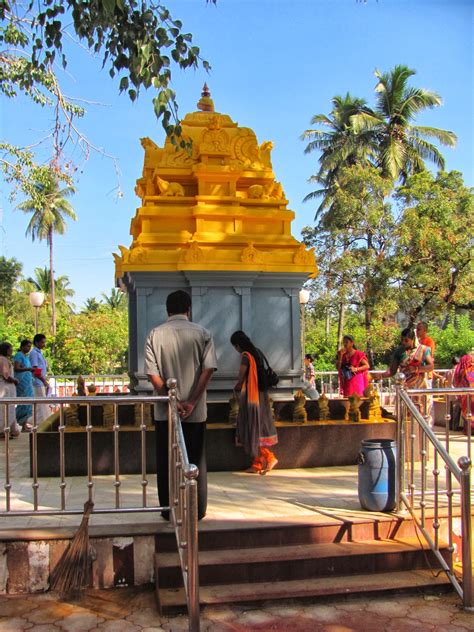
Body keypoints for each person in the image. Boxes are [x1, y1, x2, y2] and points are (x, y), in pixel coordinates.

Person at [145, 290, 217, 521]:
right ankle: (197, 509)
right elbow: (208, 370)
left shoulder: (155, 334)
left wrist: (172, 401)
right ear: (188, 309)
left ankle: (168, 509)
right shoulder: (202, 333)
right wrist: (192, 401)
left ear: (167, 310)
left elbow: (152, 374)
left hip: (165, 411)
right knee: (196, 461)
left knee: (166, 461)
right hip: (195, 413)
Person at [230, 330, 278, 475]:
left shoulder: (246, 356)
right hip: (261, 394)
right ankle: (258, 463)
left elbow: (242, 375)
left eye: (235, 346)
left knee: (252, 426)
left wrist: (237, 386)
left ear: (238, 345)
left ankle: (268, 457)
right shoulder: (257, 352)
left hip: (252, 397)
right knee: (257, 427)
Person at [378, 327, 434, 419]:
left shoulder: (423, 349)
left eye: (406, 340)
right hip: (405, 388)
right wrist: (377, 376)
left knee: (422, 416)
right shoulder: (399, 352)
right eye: (402, 340)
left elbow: (431, 366)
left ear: (412, 339)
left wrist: (416, 369)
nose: (403, 343)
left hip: (420, 388)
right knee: (405, 417)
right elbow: (391, 371)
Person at [0, 342, 21, 438]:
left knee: (8, 409)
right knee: (6, 409)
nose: (12, 351)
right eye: (10, 349)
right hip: (5, 387)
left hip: (5, 387)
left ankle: (11, 429)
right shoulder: (3, 360)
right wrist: (15, 380)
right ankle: (3, 430)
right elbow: (6, 376)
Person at [29, 333, 50, 424]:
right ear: (36, 342)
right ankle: (38, 422)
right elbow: (35, 369)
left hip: (40, 381)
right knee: (40, 404)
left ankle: (43, 421)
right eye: (42, 342)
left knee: (43, 403)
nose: (44, 344)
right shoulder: (34, 353)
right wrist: (44, 380)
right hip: (37, 382)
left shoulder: (39, 352)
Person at [13, 339, 34, 430]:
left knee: (28, 403)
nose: (29, 348)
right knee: (23, 403)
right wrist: (28, 369)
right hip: (21, 383)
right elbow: (16, 368)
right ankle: (18, 423)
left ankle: (24, 424)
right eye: (27, 346)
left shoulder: (26, 356)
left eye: (30, 347)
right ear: (22, 346)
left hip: (28, 382)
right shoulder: (19, 355)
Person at [452, 352, 474, 435]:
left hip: (464, 396)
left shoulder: (460, 370)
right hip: (471, 396)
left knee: (467, 413)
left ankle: (468, 430)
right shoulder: (469, 370)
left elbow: (455, 382)